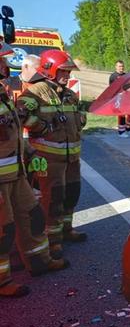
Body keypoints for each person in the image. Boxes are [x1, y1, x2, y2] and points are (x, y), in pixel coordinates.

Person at [1, 42, 70, 297]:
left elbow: (12, 128)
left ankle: (39, 262)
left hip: (15, 172)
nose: (7, 66)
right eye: (2, 61)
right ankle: (2, 281)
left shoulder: (2, 91)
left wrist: (27, 152)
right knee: (3, 230)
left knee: (32, 216)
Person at [17, 50, 87, 260]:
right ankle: (53, 241)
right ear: (49, 70)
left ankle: (67, 230)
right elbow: (20, 117)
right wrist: (42, 126)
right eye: (63, 71)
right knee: (53, 199)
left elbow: (79, 116)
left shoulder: (68, 93)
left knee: (72, 194)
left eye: (68, 71)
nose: (67, 75)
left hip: (72, 156)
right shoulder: (35, 92)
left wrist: (80, 120)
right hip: (49, 158)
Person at [109, 60, 130, 138]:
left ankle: (128, 128)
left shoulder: (126, 75)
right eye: (119, 66)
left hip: (127, 97)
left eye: (122, 66)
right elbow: (112, 88)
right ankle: (121, 131)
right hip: (118, 98)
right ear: (116, 67)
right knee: (122, 114)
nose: (121, 68)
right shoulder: (113, 76)